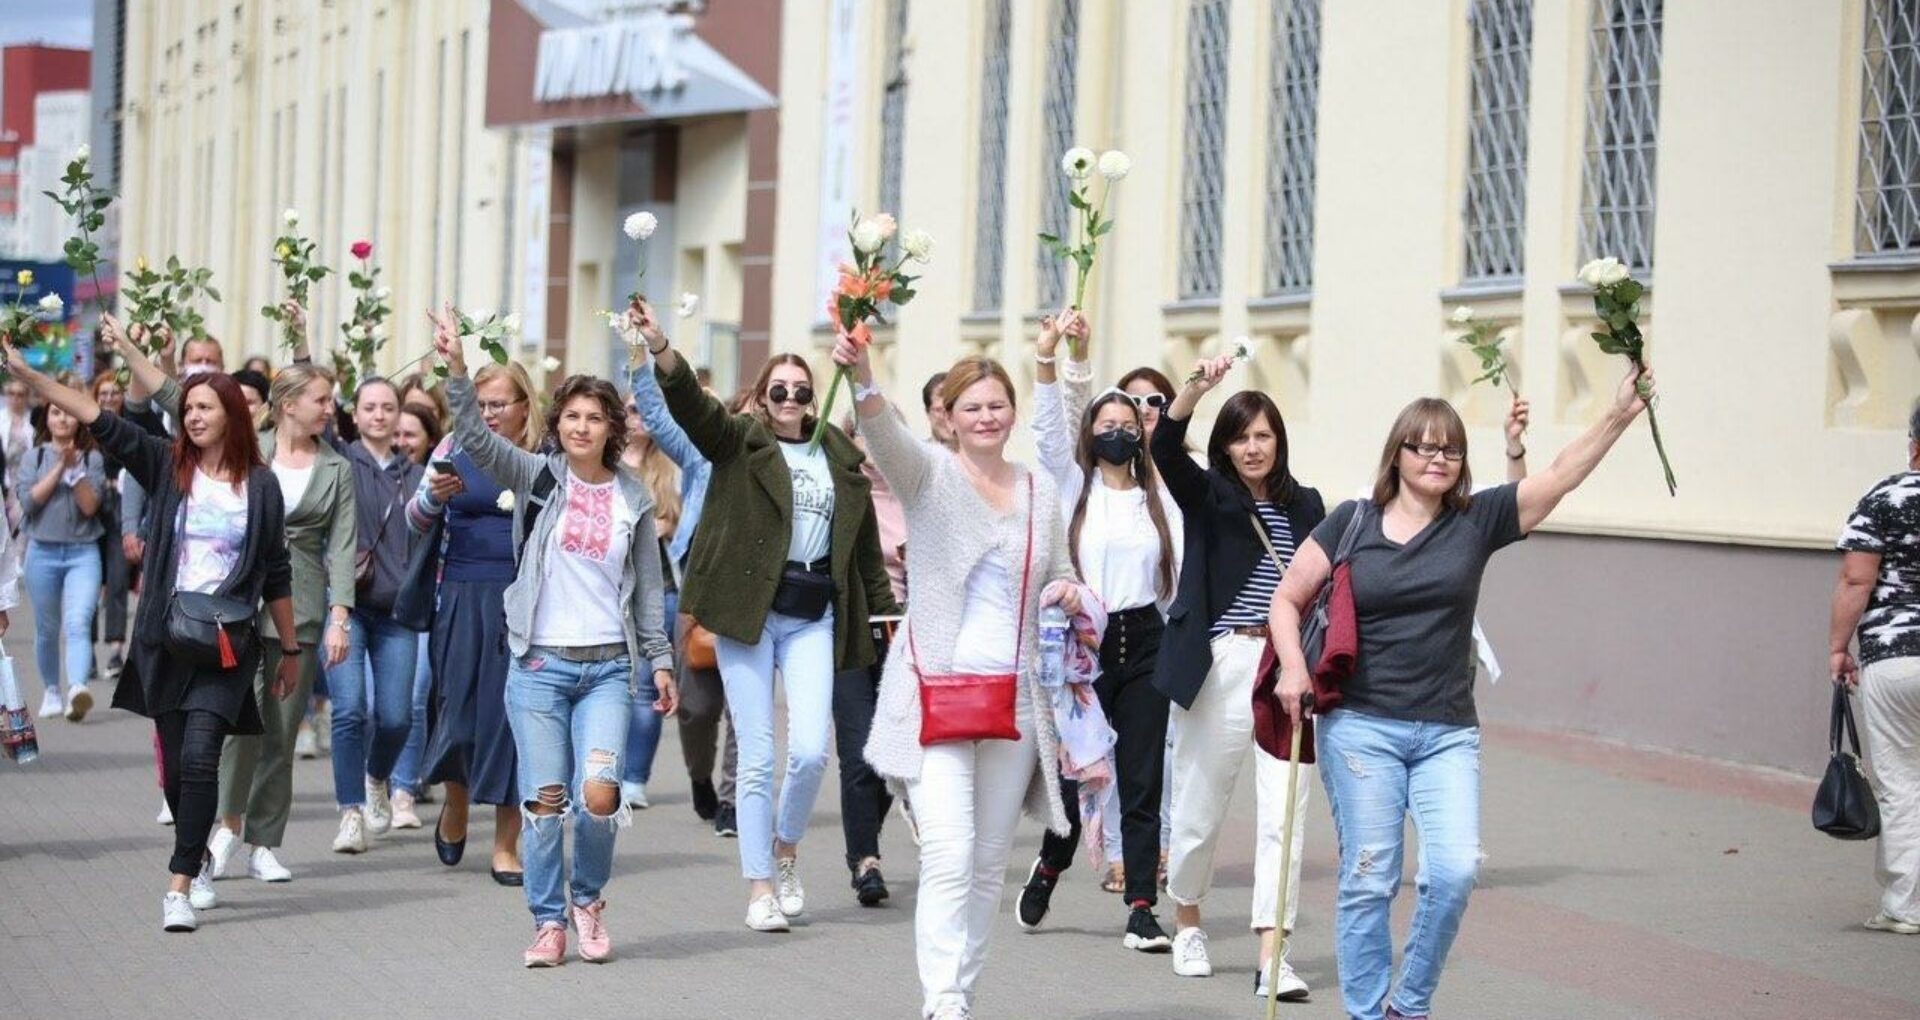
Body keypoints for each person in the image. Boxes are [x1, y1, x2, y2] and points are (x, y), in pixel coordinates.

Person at [1267, 367, 1655, 1020]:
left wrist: (1618, 415)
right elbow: (1287, 597)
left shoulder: (1477, 522)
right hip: (1361, 727)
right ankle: (1368, 1013)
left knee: (1450, 874)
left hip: (1446, 731)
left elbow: (1558, 475)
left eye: (1451, 448)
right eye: (1425, 445)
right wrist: (1291, 668)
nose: (1440, 457)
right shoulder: (1351, 522)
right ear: (1399, 454)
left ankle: (1407, 1005)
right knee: (1370, 880)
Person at [4, 320, 299, 932]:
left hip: (227, 644)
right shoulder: (167, 466)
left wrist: (290, 648)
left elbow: (274, 570)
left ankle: (180, 885)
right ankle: (196, 851)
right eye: (187, 407)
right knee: (176, 770)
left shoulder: (262, 487)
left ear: (232, 418)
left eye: (205, 407)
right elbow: (97, 415)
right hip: (168, 639)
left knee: (199, 759)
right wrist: (32, 378)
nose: (192, 416)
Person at [845, 338, 1086, 1020]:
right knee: (948, 855)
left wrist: (1065, 592)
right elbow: (884, 434)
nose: (986, 417)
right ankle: (942, 1000)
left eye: (997, 405)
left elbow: (1062, 569)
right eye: (971, 407)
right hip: (938, 694)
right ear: (947, 415)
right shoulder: (929, 477)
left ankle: (964, 991)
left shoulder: (1038, 491)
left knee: (985, 865)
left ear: (1012, 413)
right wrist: (862, 376)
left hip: (1013, 702)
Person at [430, 306, 677, 966]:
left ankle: (588, 900)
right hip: (538, 667)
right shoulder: (538, 477)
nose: (581, 426)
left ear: (609, 429)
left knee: (598, 796)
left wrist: (660, 661)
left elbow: (649, 588)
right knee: (544, 803)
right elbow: (476, 442)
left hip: (605, 670)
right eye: (571, 415)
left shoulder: (633, 497)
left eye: (594, 418)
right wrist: (456, 367)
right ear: (558, 422)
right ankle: (548, 922)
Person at [644, 299, 899, 932]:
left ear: (813, 398)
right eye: (778, 389)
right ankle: (760, 885)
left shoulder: (835, 452)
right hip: (748, 612)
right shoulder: (740, 443)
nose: (789, 398)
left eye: (800, 390)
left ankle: (787, 848)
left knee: (812, 750)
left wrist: (884, 613)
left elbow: (862, 541)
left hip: (814, 612)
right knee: (758, 756)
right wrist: (660, 348)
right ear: (762, 396)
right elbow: (693, 408)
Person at [1150, 354, 1324, 998]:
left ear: (1279, 442)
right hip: (1221, 662)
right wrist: (1193, 390)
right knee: (1200, 801)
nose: (1252, 448)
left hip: (1285, 667)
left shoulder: (1308, 505)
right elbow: (1166, 448)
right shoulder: (1210, 496)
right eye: (1240, 436)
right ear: (1225, 446)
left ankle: (1272, 954)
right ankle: (1188, 917)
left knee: (1286, 811)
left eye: (1263, 436)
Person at [1014, 310, 1184, 951]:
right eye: (1104, 426)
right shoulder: (1071, 483)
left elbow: (1180, 574)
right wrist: (1053, 356)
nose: (1116, 433)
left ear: (1143, 435)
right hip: (1082, 649)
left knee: (1142, 778)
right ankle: (1053, 863)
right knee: (1078, 773)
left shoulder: (1159, 499)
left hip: (1144, 640)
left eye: (1126, 425)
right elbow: (1051, 428)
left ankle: (1142, 907)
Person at [184, 358, 356, 876]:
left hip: (299, 611)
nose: (330, 409)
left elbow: (343, 546)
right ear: (289, 405)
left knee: (280, 731)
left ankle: (263, 842)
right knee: (238, 727)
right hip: (235, 604)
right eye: (321, 400)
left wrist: (339, 616)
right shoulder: (246, 451)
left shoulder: (337, 468)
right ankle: (226, 827)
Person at [409, 361, 541, 884]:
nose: (488, 414)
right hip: (459, 597)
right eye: (481, 404)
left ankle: (506, 844)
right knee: (458, 717)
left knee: (510, 723)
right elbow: (412, 521)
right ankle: (456, 801)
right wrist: (429, 500)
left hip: (519, 603)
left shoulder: (539, 458)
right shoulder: (448, 449)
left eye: (499, 404)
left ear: (523, 406)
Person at [624, 323, 737, 835]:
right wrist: (639, 358)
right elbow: (655, 415)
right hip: (696, 586)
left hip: (748, 594)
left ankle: (734, 801)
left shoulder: (762, 456)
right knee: (696, 708)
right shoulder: (698, 455)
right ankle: (699, 778)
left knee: (744, 705)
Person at [324, 377, 425, 845]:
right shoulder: (341, 459)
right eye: (370, 407)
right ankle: (349, 811)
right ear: (356, 413)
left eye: (388, 408)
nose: (379, 416)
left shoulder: (417, 474)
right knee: (348, 711)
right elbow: (316, 410)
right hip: (347, 606)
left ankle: (376, 777)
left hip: (398, 613)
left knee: (397, 717)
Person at [1834, 398, 1920, 937]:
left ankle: (1905, 905)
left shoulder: (1886, 496)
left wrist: (1837, 648)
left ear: (1914, 445)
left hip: (1895, 657)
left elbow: (1856, 581)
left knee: (1900, 781)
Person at [834, 407, 907, 906]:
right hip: (849, 632)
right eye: (859, 434)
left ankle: (865, 838)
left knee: (890, 754)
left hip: (906, 633)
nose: (872, 444)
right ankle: (865, 860)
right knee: (858, 749)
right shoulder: (839, 490)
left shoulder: (916, 492)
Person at [20, 379, 107, 722]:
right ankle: (51, 691)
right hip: (41, 552)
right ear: (48, 418)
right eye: (56, 413)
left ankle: (77, 689)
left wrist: (76, 472)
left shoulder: (94, 459)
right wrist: (59, 468)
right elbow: (28, 503)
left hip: (82, 554)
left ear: (78, 420)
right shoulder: (34, 456)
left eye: (69, 414)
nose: (62, 419)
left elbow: (90, 507)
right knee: (46, 628)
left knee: (78, 622)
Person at [387, 401, 444, 826]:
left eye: (411, 434)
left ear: (429, 437)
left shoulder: (441, 477)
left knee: (416, 694)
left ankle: (404, 789)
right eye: (397, 433)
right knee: (379, 707)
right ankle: (382, 778)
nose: (402, 441)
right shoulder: (368, 470)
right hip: (378, 598)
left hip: (424, 597)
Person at [921, 371, 953, 448]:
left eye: (951, 409)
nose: (947, 417)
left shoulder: (978, 456)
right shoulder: (917, 455)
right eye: (940, 410)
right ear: (928, 413)